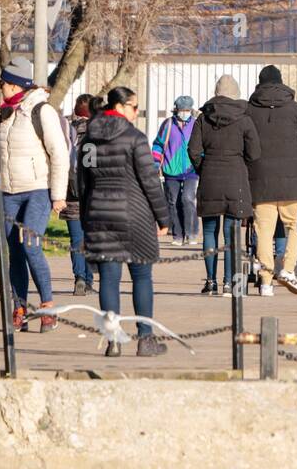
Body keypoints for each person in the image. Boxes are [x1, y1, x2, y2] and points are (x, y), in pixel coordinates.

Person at [0, 56, 70, 332]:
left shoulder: (42, 111)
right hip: (9, 192)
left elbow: (59, 154)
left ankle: (47, 306)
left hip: (37, 190)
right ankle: (19, 307)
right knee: (14, 252)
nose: (0, 87)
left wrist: (58, 195)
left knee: (31, 245)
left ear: (16, 85)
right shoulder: (5, 114)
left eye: (3, 83)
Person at [79, 87, 170, 357]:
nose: (135, 113)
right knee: (141, 275)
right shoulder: (135, 138)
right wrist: (162, 216)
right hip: (135, 214)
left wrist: (86, 216)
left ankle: (113, 340)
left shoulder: (90, 139)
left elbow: (83, 181)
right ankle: (145, 339)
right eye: (134, 107)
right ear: (120, 107)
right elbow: (150, 181)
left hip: (100, 213)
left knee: (109, 278)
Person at [244, 65, 297, 296]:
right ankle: (288, 268)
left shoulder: (249, 110)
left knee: (263, 231)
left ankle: (265, 282)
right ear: (281, 82)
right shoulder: (295, 109)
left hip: (260, 179)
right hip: (293, 181)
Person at [188, 75, 260, 296]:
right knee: (232, 234)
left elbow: (192, 150)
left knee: (209, 232)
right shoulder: (244, 119)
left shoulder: (203, 118)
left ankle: (211, 281)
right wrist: (242, 165)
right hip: (236, 179)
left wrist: (203, 167)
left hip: (210, 177)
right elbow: (255, 153)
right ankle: (229, 282)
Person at [152, 95, 200, 246]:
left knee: (188, 199)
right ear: (176, 109)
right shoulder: (167, 124)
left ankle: (191, 233)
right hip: (170, 169)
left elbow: (202, 145)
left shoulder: (196, 124)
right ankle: (178, 235)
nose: (184, 112)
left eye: (187, 110)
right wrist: (155, 163)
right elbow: (158, 145)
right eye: (182, 110)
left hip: (191, 169)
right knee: (173, 201)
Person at [63, 94, 96, 295]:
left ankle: (79, 278)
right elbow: (92, 165)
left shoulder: (66, 130)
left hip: (69, 192)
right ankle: (89, 281)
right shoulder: (95, 132)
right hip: (90, 194)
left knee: (76, 239)